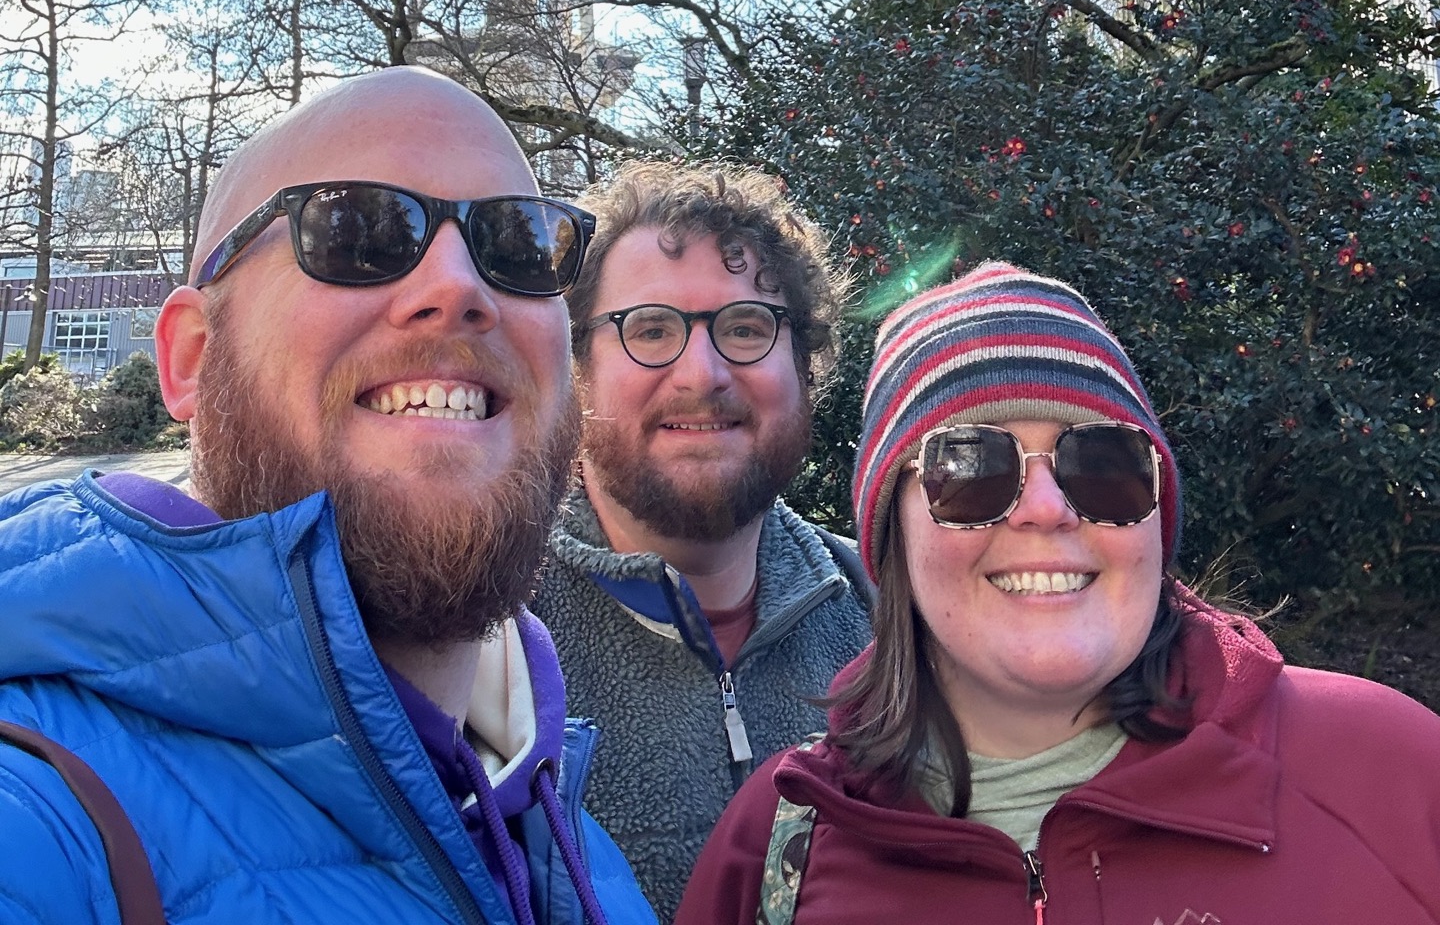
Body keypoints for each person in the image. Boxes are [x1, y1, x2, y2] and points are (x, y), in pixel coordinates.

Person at [0, 68, 656, 925]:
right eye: (358, 232)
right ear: (192, 357)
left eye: (516, 248)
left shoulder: (574, 850)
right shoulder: (39, 814)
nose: (461, 288)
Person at [677, 260, 1440, 925]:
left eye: (1102, 464)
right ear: (891, 537)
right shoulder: (777, 845)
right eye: (972, 468)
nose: (1047, 509)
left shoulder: (1391, 777)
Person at [531, 163, 873, 923]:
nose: (702, 373)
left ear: (804, 366)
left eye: (746, 328)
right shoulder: (484, 638)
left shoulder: (885, 621)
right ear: (575, 367)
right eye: (650, 329)